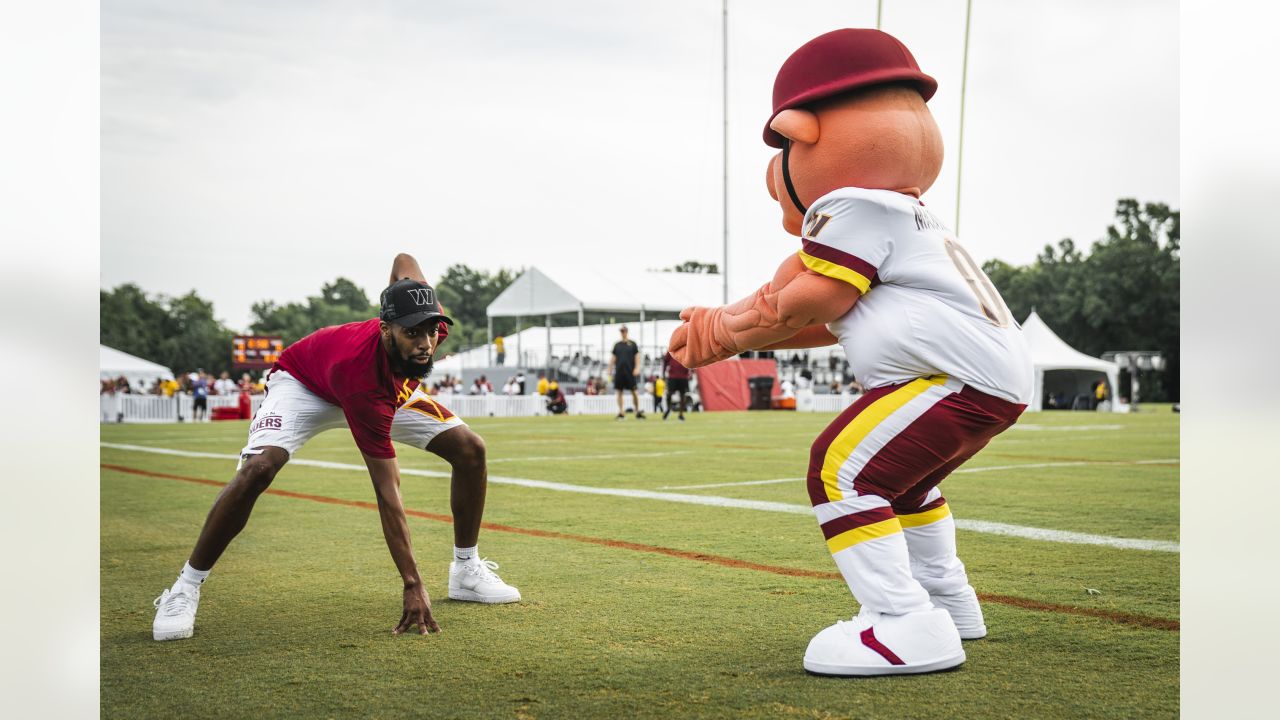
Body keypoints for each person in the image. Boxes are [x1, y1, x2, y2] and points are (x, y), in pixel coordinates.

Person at [669, 30, 1032, 676]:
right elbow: (823, 315)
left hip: (956, 377)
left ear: (801, 133)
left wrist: (725, 332)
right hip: (988, 376)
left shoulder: (851, 200)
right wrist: (725, 330)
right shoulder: (909, 214)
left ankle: (901, 622)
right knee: (909, 486)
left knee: (841, 468)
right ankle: (950, 602)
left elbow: (816, 297)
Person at [152, 253, 520, 642]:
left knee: (470, 449)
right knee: (259, 469)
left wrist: (407, 292)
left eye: (432, 330)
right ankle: (184, 588)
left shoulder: (422, 320)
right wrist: (412, 582)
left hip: (380, 386)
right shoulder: (363, 383)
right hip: (303, 384)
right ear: (385, 330)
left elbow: (403, 260)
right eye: (412, 333)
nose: (426, 343)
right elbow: (387, 491)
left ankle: (465, 570)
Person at [609, 326, 644, 420]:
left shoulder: (632, 344)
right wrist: (610, 369)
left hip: (630, 372)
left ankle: (637, 411)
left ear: (627, 332)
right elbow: (613, 358)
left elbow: (637, 357)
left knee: (634, 392)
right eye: (621, 331)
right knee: (619, 392)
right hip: (619, 372)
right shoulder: (617, 345)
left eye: (624, 331)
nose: (623, 332)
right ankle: (621, 412)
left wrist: (637, 368)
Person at [661, 351, 691, 421]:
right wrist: (663, 373)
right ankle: (668, 409)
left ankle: (681, 414)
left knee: (683, 395)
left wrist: (690, 371)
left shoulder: (687, 348)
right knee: (669, 394)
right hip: (672, 376)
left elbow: (691, 359)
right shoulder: (672, 349)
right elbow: (665, 361)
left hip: (684, 376)